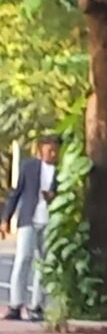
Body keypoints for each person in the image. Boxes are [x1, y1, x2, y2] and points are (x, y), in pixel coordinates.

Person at [3, 135, 61, 322]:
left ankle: (37, 306)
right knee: (22, 260)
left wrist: (52, 195)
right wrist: (6, 218)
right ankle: (15, 305)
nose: (53, 153)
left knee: (43, 265)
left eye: (55, 150)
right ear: (40, 150)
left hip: (49, 222)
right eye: (49, 150)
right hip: (29, 219)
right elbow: (16, 192)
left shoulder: (60, 172)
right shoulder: (29, 167)